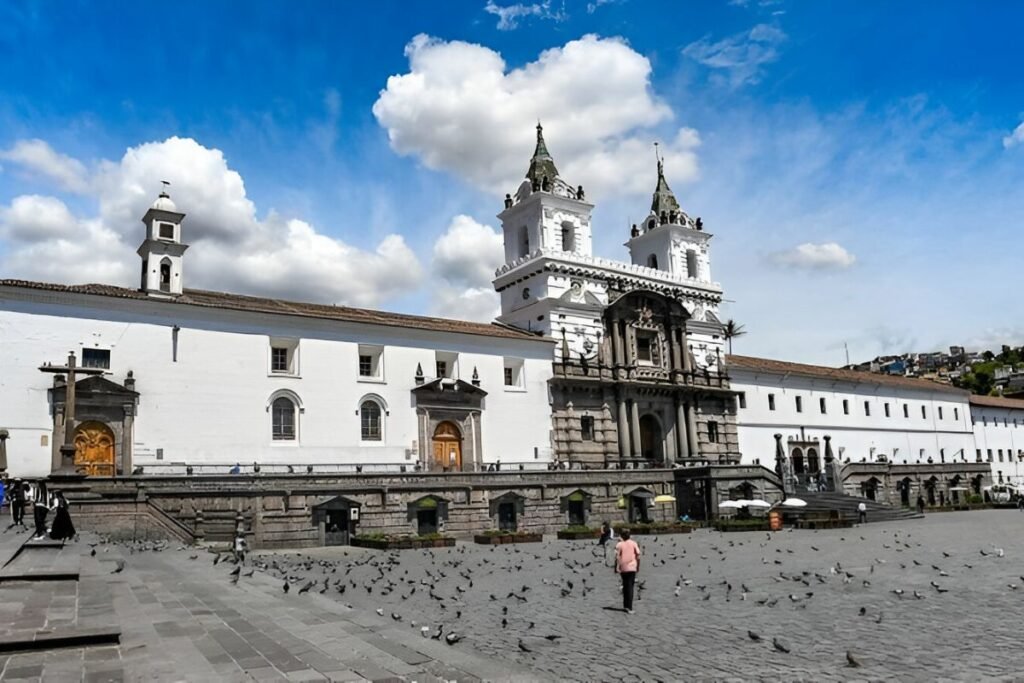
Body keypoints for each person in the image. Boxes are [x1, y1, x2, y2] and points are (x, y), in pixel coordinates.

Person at [614, 529, 641, 614]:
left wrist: (616, 567)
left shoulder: (619, 545)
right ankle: (629, 607)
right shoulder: (634, 543)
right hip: (632, 567)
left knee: (625, 586)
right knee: (630, 587)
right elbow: (638, 556)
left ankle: (625, 605)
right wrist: (638, 566)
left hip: (623, 568)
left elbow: (617, 557)